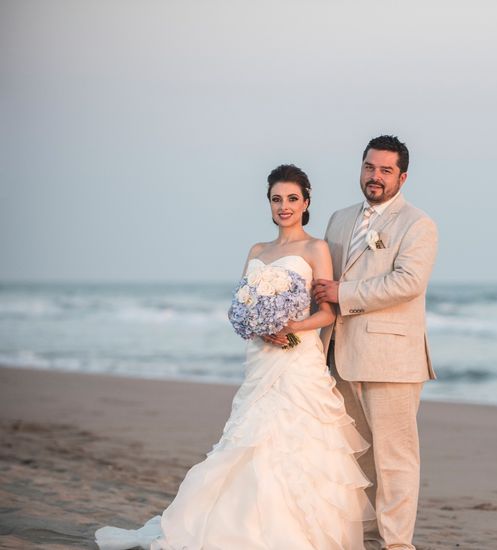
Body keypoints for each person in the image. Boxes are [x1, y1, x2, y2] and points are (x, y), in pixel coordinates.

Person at [95, 164, 374, 549]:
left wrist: (290, 326)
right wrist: (259, 325)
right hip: (261, 356)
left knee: (298, 442)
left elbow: (327, 312)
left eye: (292, 199)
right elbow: (240, 306)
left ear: (306, 202)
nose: (284, 206)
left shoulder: (316, 248)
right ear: (269, 204)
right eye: (277, 199)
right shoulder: (258, 251)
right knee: (248, 438)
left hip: (297, 359)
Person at [313, 135, 438, 550]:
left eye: (386, 170)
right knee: (356, 455)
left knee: (395, 459)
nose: (375, 177)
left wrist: (343, 295)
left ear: (402, 176)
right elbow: (321, 279)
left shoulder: (418, 224)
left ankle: (397, 544)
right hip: (337, 355)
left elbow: (408, 282)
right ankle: (365, 537)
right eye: (370, 167)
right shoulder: (339, 219)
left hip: (391, 358)